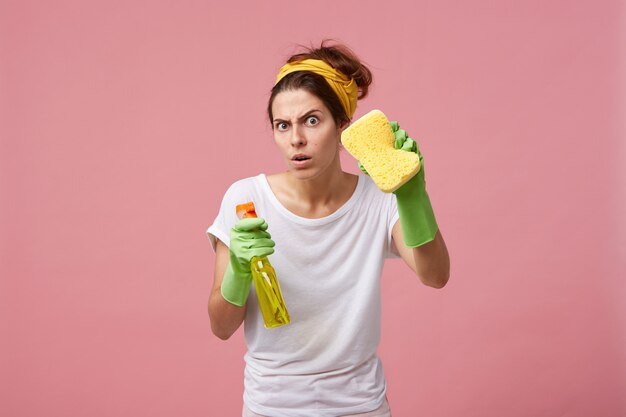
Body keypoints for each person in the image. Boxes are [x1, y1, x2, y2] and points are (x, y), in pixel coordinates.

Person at [206, 41, 450, 417]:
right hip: (272, 407)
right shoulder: (246, 199)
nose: (296, 139)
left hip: (361, 405)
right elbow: (221, 327)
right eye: (282, 125)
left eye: (312, 120)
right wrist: (238, 270)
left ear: (342, 126)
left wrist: (413, 197)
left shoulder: (379, 198)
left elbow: (435, 275)